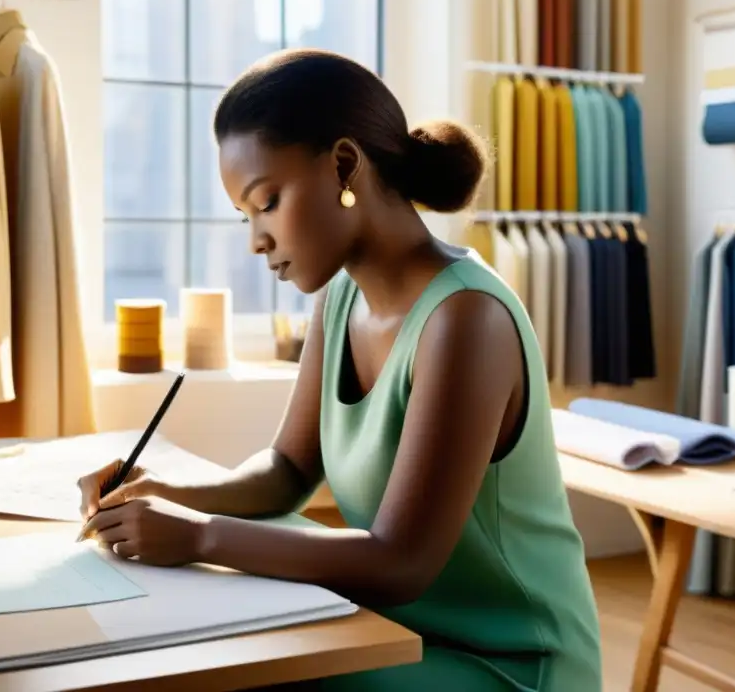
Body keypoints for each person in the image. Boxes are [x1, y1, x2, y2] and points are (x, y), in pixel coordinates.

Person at [77, 49, 602, 690]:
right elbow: (288, 471)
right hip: (392, 630)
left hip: (509, 663)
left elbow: (402, 562)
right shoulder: (341, 297)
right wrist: (160, 497)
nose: (256, 240)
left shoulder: (467, 319)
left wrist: (200, 537)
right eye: (246, 215)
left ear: (345, 166)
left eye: (267, 202)